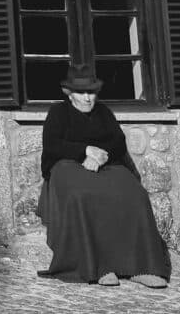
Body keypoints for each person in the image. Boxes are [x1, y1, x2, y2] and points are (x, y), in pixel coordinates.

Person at [36, 65, 171, 288]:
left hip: (105, 164)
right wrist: (85, 151)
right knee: (81, 195)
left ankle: (141, 266)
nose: (88, 98)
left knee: (135, 195)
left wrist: (100, 157)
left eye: (92, 92)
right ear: (69, 93)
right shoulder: (58, 113)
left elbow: (117, 141)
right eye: (82, 93)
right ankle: (96, 267)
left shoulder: (103, 113)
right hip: (66, 166)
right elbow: (53, 145)